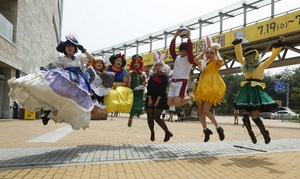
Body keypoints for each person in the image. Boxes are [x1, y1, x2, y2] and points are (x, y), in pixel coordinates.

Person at [8, 34, 98, 130]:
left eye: (72, 45)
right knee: (61, 98)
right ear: (64, 48)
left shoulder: (79, 58)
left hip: (78, 84)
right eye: (67, 46)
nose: (70, 48)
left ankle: (49, 115)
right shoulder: (61, 60)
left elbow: (93, 60)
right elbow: (50, 67)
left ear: (75, 48)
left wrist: (83, 49)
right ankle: (22, 83)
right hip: (66, 83)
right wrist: (40, 72)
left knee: (75, 105)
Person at [232, 36, 285, 144]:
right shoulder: (245, 66)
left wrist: (279, 43)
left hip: (256, 91)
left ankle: (265, 133)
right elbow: (239, 55)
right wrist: (238, 44)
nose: (249, 60)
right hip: (246, 91)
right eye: (247, 58)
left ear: (255, 57)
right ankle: (251, 134)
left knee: (254, 115)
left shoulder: (262, 65)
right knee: (245, 117)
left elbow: (272, 57)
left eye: (251, 58)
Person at [194, 35, 226, 142]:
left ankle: (218, 128)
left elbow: (221, 61)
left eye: (211, 53)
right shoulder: (203, 63)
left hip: (211, 87)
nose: (209, 55)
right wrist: (204, 51)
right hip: (201, 87)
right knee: (200, 112)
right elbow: (195, 59)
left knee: (206, 110)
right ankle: (205, 130)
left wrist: (216, 52)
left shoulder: (216, 63)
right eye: (208, 53)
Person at [145, 52, 173, 142]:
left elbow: (164, 89)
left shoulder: (165, 77)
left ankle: (167, 132)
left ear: (163, 67)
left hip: (161, 98)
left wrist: (158, 100)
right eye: (156, 65)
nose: (158, 67)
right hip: (150, 98)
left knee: (156, 117)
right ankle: (152, 132)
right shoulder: (152, 76)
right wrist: (149, 98)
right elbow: (148, 88)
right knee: (149, 116)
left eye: (160, 65)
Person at [167, 28, 194, 107]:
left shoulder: (190, 59)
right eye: (181, 51)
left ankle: (190, 97)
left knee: (177, 103)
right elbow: (171, 49)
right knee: (169, 103)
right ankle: (188, 97)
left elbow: (190, 49)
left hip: (181, 82)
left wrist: (189, 38)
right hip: (173, 82)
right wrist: (175, 36)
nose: (183, 53)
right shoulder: (177, 57)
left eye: (185, 51)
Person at [127, 54, 147, 127]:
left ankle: (137, 114)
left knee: (140, 106)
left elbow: (145, 82)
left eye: (138, 63)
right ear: (132, 63)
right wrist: (129, 75)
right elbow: (128, 85)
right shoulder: (130, 72)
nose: (136, 64)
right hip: (133, 92)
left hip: (141, 92)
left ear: (140, 64)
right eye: (134, 63)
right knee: (134, 106)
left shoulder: (143, 73)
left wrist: (145, 84)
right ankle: (131, 117)